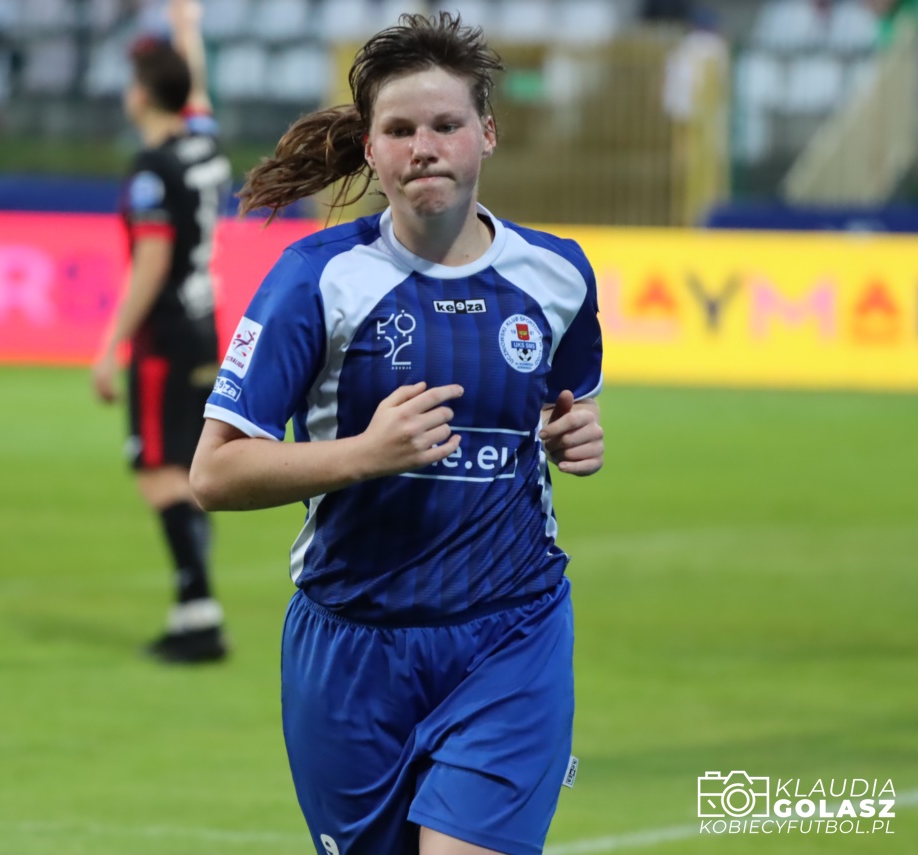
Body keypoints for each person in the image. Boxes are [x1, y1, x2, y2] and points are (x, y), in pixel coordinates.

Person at [190, 13, 605, 855]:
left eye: (447, 124)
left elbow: (558, 408)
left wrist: (574, 435)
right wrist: (363, 455)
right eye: (401, 129)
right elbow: (213, 473)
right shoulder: (317, 280)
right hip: (352, 646)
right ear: (371, 148)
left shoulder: (557, 274)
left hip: (512, 632)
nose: (425, 147)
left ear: (487, 132)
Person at [91, 0, 232, 663]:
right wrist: (187, 28)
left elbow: (150, 263)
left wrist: (109, 345)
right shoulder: (202, 147)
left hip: (164, 334)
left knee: (156, 469)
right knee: (185, 463)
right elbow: (196, 92)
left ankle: (199, 609)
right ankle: (189, 608)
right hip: (206, 323)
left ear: (141, 95)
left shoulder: (153, 169)